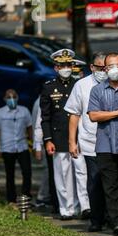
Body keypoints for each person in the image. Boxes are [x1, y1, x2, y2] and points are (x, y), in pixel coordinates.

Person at [40, 49, 90, 220]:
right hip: (59, 137)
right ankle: (66, 209)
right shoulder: (49, 87)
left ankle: (83, 207)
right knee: (63, 175)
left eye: (69, 64)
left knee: (81, 173)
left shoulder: (79, 84)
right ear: (56, 67)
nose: (66, 68)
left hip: (79, 137)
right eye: (62, 65)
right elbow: (45, 118)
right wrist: (48, 140)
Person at [87, 52, 118, 236]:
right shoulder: (97, 90)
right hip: (105, 145)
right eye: (110, 66)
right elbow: (93, 115)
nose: (115, 69)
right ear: (105, 69)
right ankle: (117, 222)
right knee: (110, 186)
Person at [65, 52, 108, 232]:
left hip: (113, 142)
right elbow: (74, 115)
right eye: (100, 68)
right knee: (94, 181)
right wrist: (71, 142)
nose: (104, 71)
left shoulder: (115, 83)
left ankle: (113, 218)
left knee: (112, 182)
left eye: (107, 68)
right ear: (92, 67)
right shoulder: (81, 86)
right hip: (90, 141)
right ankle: (96, 219)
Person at [0, 89, 32, 204]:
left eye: (14, 96)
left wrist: (32, 142)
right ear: (4, 99)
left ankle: (26, 196)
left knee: (27, 172)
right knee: (9, 174)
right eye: (9, 97)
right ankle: (11, 199)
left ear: (17, 98)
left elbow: (29, 127)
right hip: (7, 148)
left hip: (22, 146)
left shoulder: (24, 111)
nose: (12, 99)